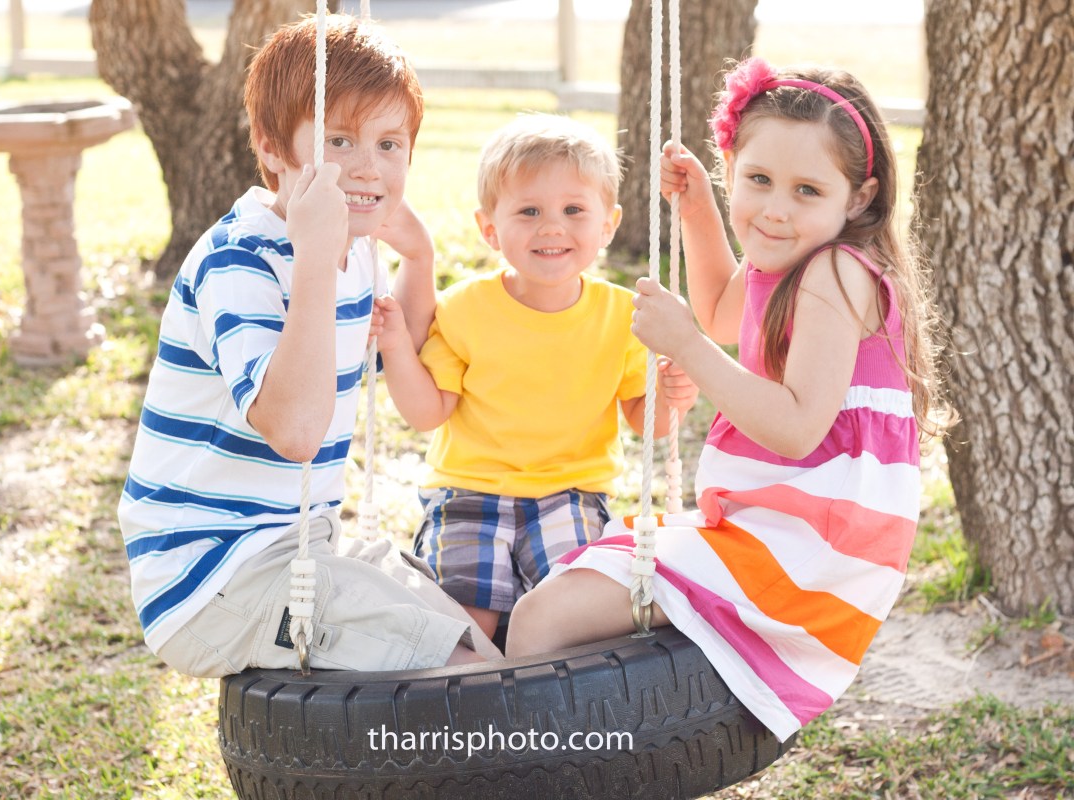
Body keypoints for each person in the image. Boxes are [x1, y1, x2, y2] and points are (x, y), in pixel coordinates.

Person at [505, 58, 951, 741]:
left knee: (542, 621)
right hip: (779, 529)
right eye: (758, 180)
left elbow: (798, 427)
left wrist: (685, 347)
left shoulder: (835, 270)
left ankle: (551, 762)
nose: (774, 209)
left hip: (807, 549)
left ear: (859, 197)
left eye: (806, 190)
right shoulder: (793, 256)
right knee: (553, 607)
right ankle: (564, 753)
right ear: (731, 167)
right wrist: (699, 213)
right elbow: (719, 311)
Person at [118, 14, 498, 678]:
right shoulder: (239, 262)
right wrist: (316, 260)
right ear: (272, 149)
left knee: (480, 646)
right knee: (465, 675)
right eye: (339, 141)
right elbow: (295, 429)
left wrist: (420, 258)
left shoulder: (353, 251)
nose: (367, 166)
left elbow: (395, 348)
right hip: (210, 577)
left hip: (303, 551)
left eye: (390, 144)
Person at [372, 113, 698, 641]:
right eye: (529, 211)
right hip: (468, 493)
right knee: (467, 626)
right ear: (489, 229)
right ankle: (475, 698)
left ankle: (546, 701)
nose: (552, 227)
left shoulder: (625, 316)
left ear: (607, 224)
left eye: (574, 210)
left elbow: (648, 423)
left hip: (569, 495)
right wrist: (394, 348)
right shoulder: (463, 309)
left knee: (565, 616)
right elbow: (427, 413)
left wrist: (676, 391)